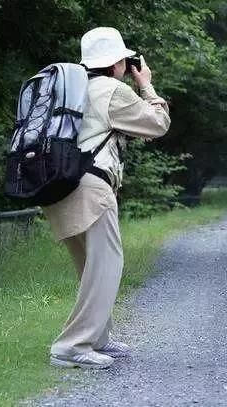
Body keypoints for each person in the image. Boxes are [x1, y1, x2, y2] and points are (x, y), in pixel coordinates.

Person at [43, 27, 171, 368]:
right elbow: (158, 124)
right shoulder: (112, 90)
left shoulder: (70, 88)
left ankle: (96, 338)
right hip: (92, 187)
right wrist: (145, 84)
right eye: (125, 61)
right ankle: (72, 345)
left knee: (90, 267)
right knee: (107, 265)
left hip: (60, 185)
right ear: (117, 62)